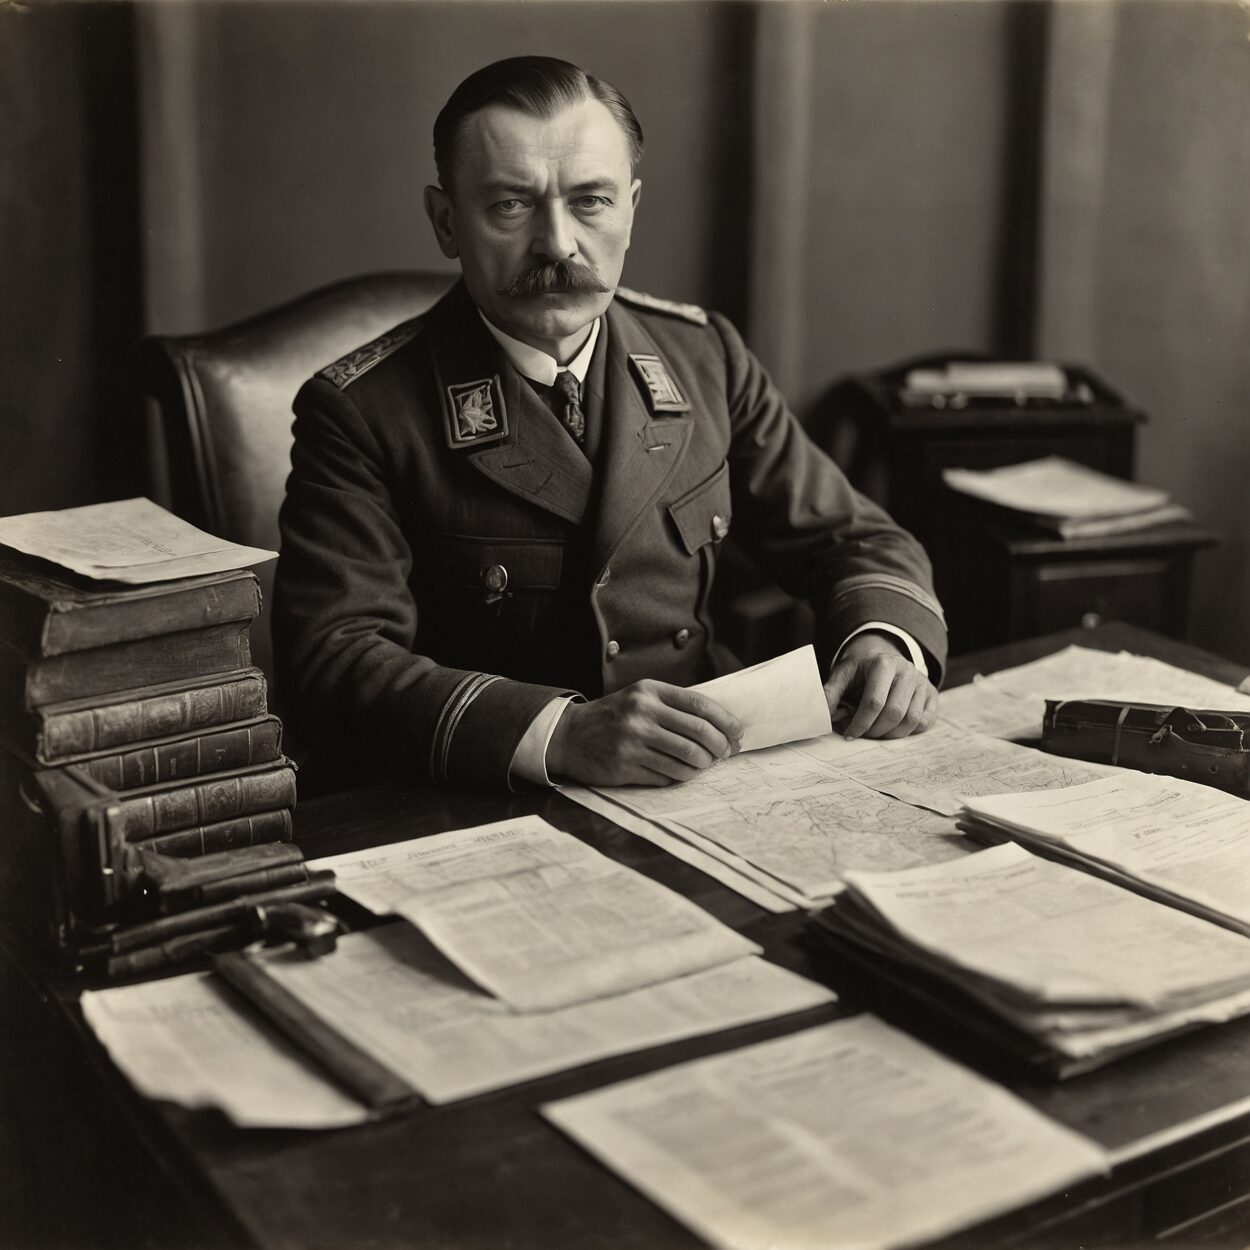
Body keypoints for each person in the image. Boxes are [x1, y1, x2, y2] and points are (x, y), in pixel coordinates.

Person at [273, 56, 946, 793]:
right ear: (446, 223)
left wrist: (885, 637)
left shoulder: (702, 356)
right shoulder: (363, 410)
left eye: (590, 202)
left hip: (707, 785)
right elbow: (334, 657)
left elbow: (852, 537)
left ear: (630, 208)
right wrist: (559, 734)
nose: (557, 244)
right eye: (509, 206)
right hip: (486, 802)